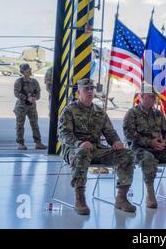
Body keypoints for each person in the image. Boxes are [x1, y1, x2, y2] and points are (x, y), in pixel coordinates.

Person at [58, 78, 136, 215]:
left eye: (91, 89)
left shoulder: (99, 112)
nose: (89, 91)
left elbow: (110, 132)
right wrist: (79, 143)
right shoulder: (69, 110)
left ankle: (121, 198)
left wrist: (116, 142)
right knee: (82, 153)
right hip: (74, 150)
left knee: (127, 154)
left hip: (96, 150)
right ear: (78, 92)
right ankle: (80, 199)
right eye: (85, 89)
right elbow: (63, 134)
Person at [123, 84, 166, 209]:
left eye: (154, 97)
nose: (154, 99)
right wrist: (150, 142)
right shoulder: (132, 114)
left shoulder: (158, 114)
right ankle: (150, 194)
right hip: (140, 150)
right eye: (150, 96)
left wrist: (164, 142)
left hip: (159, 149)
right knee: (148, 159)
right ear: (141, 97)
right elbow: (130, 135)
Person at [13, 63, 47, 150]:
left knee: (35, 124)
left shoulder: (34, 82)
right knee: (20, 125)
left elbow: (38, 92)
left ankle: (38, 142)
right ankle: (20, 143)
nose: (30, 71)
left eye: (30, 70)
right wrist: (26, 98)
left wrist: (34, 98)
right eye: (27, 70)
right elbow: (16, 93)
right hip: (21, 106)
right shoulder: (19, 81)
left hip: (32, 106)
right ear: (23, 72)